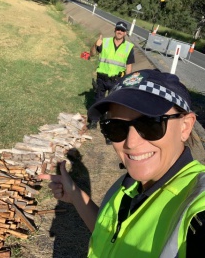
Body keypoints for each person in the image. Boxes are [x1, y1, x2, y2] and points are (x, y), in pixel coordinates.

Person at [39, 69, 205, 257]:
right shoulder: (128, 184)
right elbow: (111, 235)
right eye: (116, 127)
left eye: (150, 124)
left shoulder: (197, 207)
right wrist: (76, 195)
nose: (130, 143)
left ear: (185, 126)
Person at [87, 21, 135, 130]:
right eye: (118, 29)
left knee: (112, 104)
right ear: (115, 30)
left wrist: (127, 83)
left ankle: (108, 126)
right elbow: (92, 54)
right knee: (99, 100)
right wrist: (95, 44)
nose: (120, 32)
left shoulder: (129, 47)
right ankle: (94, 121)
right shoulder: (105, 42)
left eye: (122, 30)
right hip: (102, 78)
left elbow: (129, 66)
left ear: (125, 33)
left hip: (117, 80)